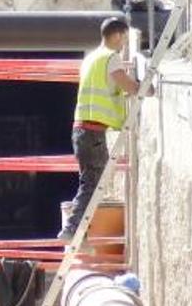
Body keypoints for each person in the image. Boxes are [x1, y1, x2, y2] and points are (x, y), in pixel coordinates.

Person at [59, 16, 142, 242]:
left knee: (90, 181)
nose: (124, 43)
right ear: (116, 35)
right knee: (94, 183)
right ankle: (73, 228)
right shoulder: (110, 58)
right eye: (124, 37)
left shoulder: (91, 58)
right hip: (93, 131)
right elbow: (125, 84)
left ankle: (79, 228)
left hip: (81, 130)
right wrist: (145, 89)